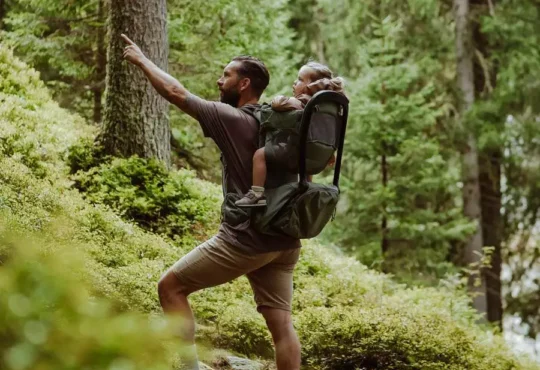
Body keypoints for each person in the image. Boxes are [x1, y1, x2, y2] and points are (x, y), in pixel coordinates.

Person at [121, 34, 301, 370]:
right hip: (285, 240)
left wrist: (142, 60)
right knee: (282, 327)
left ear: (244, 83)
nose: (220, 80)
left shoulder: (230, 118)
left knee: (170, 287)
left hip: (247, 239)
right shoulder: (274, 121)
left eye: (226, 75)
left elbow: (177, 94)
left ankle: (190, 367)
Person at [235, 63, 345, 207]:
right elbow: (330, 131)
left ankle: (256, 194)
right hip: (317, 160)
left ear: (311, 86)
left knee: (260, 155)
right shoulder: (329, 107)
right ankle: (307, 189)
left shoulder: (301, 101)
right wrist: (330, 152)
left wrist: (279, 98)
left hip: (296, 155)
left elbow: (277, 105)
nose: (295, 82)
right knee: (306, 152)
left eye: (299, 79)